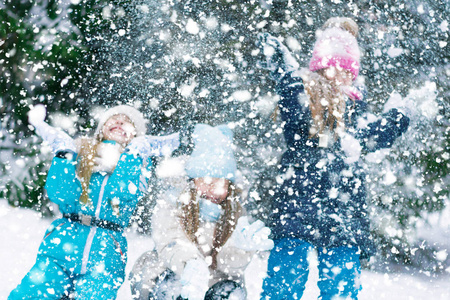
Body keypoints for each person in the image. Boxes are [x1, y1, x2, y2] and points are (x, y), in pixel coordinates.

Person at [257, 17, 411, 299]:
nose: (338, 76)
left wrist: (393, 122)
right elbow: (294, 118)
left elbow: (365, 139)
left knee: (341, 283)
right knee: (285, 277)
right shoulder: (304, 96)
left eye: (346, 70)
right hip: (298, 200)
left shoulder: (356, 107)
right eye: (331, 68)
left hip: (343, 206)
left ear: (353, 74)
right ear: (319, 68)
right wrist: (287, 75)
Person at [9, 104, 183, 300]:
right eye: (113, 118)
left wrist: (133, 153)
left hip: (105, 255)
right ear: (101, 128)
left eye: (127, 121)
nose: (119, 122)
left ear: (137, 136)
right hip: (62, 246)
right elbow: (61, 194)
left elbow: (121, 192)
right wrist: (64, 155)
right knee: (30, 295)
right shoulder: (79, 153)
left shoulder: (139, 164)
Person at [129, 124, 274, 300]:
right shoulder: (172, 201)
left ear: (229, 186)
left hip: (213, 282)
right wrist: (189, 262)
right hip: (173, 272)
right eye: (205, 180)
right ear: (193, 180)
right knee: (173, 283)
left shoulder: (235, 212)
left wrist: (241, 250)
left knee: (230, 290)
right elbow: (169, 241)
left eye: (220, 182)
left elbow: (228, 267)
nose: (212, 189)